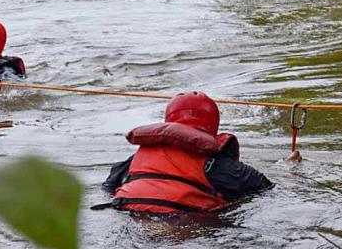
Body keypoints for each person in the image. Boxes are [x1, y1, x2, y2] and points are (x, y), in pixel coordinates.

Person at [96, 91, 273, 213]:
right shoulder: (218, 164)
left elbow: (108, 188)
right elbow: (266, 189)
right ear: (213, 126)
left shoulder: (136, 160)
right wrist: (290, 169)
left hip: (128, 215)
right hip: (185, 224)